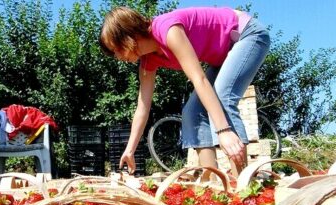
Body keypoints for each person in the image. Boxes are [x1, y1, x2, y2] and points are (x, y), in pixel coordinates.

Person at [99, 6, 270, 175]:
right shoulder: (148, 61)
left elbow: (199, 79)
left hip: (246, 35)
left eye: (117, 49)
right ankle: (211, 182)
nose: (118, 57)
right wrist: (130, 150)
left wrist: (223, 131)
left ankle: (243, 186)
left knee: (222, 98)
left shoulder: (167, 30)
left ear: (128, 35)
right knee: (192, 112)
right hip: (223, 56)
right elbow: (142, 108)